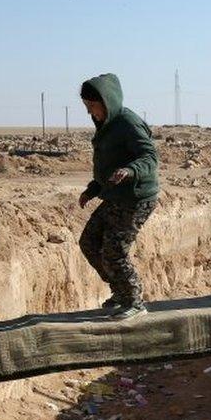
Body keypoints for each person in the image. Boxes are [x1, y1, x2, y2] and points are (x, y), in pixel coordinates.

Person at [78, 74, 159, 320]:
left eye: (93, 106)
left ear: (107, 101)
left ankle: (134, 302)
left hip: (136, 198)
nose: (90, 112)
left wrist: (131, 170)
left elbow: (150, 157)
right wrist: (93, 189)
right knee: (89, 242)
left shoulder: (127, 122)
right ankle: (120, 292)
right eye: (87, 106)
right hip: (116, 195)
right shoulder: (106, 125)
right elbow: (110, 164)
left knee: (114, 251)